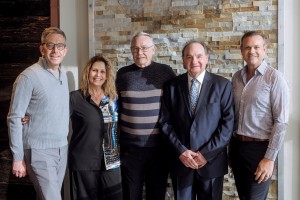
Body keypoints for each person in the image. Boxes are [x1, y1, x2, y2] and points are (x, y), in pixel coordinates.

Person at [159, 40, 234, 200]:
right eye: (189, 57)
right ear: (183, 60)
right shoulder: (171, 86)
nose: (194, 61)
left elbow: (227, 125)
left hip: (211, 163)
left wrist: (206, 154)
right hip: (182, 162)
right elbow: (165, 123)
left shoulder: (223, 85)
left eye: (199, 56)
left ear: (207, 58)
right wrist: (181, 151)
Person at [7, 27, 69, 200]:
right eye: (50, 45)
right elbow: (14, 118)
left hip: (61, 149)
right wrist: (18, 157)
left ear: (65, 50)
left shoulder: (63, 75)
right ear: (42, 49)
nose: (55, 50)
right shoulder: (28, 77)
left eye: (60, 46)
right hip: (39, 151)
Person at [116, 31, 176, 200]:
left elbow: (174, 107)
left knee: (156, 194)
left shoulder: (166, 72)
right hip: (130, 149)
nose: (139, 52)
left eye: (144, 48)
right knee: (130, 194)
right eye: (135, 49)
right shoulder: (122, 74)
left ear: (153, 49)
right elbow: (117, 108)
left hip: (159, 148)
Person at [229, 31, 289, 200]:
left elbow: (281, 121)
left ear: (264, 49)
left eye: (256, 47)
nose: (252, 51)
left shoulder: (275, 78)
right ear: (241, 50)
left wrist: (269, 158)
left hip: (260, 150)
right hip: (237, 148)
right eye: (247, 47)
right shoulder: (236, 78)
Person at [69, 54, 122, 200]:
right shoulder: (74, 98)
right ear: (88, 72)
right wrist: (31, 116)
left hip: (111, 161)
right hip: (83, 162)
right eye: (94, 70)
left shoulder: (114, 99)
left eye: (102, 71)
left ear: (107, 75)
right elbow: (55, 118)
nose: (98, 75)